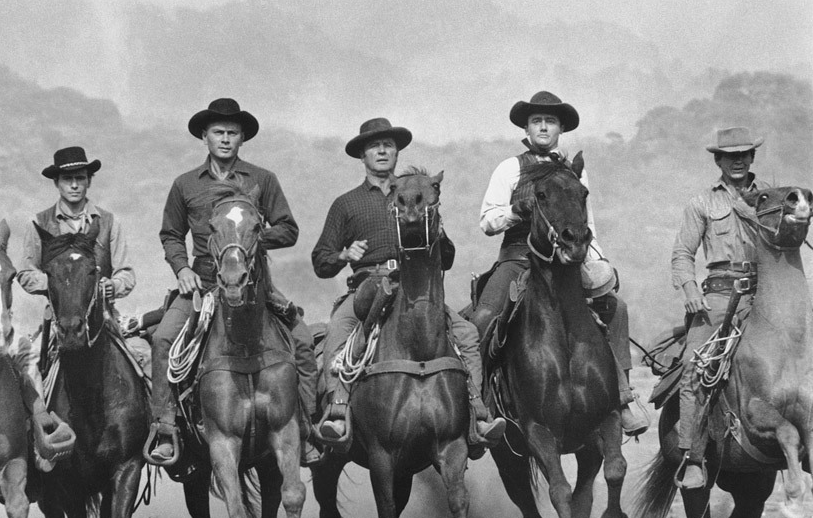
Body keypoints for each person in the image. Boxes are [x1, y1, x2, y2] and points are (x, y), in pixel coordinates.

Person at [310, 117, 504, 452]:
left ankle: (477, 413)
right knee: (337, 333)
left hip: (416, 289)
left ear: (397, 152)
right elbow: (320, 261)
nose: (382, 150)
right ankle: (337, 411)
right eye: (374, 146)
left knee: (468, 334)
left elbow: (449, 258)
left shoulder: (418, 194)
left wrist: (437, 233)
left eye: (388, 144)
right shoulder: (347, 204)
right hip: (366, 286)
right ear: (363, 156)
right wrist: (344, 253)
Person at [146, 98, 319, 465]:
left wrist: (245, 241)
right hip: (203, 283)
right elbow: (171, 234)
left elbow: (288, 229)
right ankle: (166, 427)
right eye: (218, 133)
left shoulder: (262, 179)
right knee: (162, 340)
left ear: (242, 139)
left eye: (232, 133)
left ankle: (306, 428)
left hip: (253, 283)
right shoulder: (185, 184)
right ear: (205, 137)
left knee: (302, 338)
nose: (225, 139)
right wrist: (182, 270)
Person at [472, 91, 649, 437]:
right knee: (482, 320)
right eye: (536, 120)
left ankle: (623, 399)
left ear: (560, 129)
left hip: (566, 262)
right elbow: (486, 221)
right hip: (518, 259)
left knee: (617, 308)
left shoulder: (574, 173)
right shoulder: (509, 168)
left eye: (549, 121)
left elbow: (588, 227)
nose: (542, 126)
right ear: (526, 127)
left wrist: (601, 263)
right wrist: (513, 212)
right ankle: (479, 410)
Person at [671, 127, 768, 489]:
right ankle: (692, 457)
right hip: (718, 297)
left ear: (753, 157)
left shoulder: (770, 199)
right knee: (694, 367)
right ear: (718, 160)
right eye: (731, 155)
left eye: (745, 153)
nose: (739, 160)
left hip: (766, 295)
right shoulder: (702, 203)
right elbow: (682, 254)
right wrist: (690, 289)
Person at [16, 146, 137, 382]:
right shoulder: (39, 223)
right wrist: (55, 282)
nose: (74, 185)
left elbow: (126, 272)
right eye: (67, 179)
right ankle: (38, 418)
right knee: (28, 368)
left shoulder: (109, 222)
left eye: (80, 178)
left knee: (143, 358)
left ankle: (160, 417)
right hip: (56, 320)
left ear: (89, 182)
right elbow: (25, 273)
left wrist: (114, 285)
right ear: (56, 183)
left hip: (104, 317)